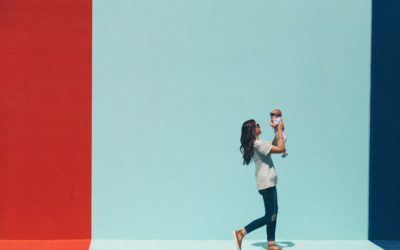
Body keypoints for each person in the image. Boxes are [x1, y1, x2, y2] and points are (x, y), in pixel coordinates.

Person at [233, 118, 286, 250]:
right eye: (256, 125)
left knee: (274, 212)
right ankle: (242, 232)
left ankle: (271, 243)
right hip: (266, 182)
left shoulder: (259, 143)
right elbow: (280, 148)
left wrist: (276, 130)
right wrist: (279, 129)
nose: (259, 125)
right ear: (252, 130)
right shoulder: (257, 144)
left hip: (268, 182)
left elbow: (274, 143)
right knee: (270, 215)